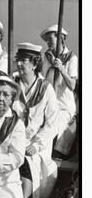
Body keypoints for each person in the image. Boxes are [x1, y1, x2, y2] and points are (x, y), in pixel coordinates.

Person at [13, 43, 58, 198]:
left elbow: (53, 124)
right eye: (18, 59)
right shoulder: (12, 85)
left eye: (23, 60)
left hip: (35, 145)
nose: (19, 63)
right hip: (13, 140)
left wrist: (36, 145)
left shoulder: (46, 89)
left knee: (26, 165)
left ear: (34, 64)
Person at [40, 24, 78, 158]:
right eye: (47, 41)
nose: (48, 43)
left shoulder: (71, 58)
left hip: (63, 106)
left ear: (61, 39)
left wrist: (61, 69)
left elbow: (73, 85)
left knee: (55, 124)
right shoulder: (46, 58)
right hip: (48, 103)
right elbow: (42, 79)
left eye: (51, 40)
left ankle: (56, 155)